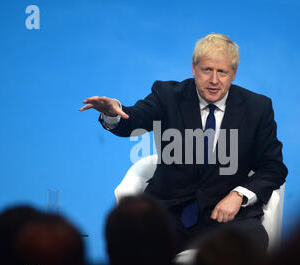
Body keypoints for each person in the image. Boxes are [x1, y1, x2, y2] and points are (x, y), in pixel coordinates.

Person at [80, 33, 288, 251]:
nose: (214, 80)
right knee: (134, 238)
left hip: (228, 218)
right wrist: (113, 113)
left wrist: (239, 195)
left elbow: (273, 167)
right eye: (207, 70)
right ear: (194, 68)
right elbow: (134, 120)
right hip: (168, 214)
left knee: (252, 239)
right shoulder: (167, 95)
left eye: (222, 72)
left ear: (233, 73)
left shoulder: (257, 108)